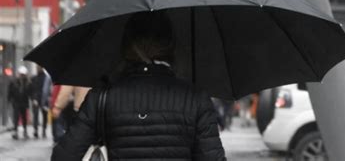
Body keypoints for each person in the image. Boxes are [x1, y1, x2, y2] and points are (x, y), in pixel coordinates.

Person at [51, 12, 226, 160]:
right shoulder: (195, 98)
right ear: (170, 46)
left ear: (126, 45)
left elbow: (63, 156)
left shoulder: (103, 96)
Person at [7, 66, 31, 140]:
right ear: (18, 74)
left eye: (23, 74)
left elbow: (31, 92)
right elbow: (10, 92)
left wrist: (33, 99)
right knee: (16, 117)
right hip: (16, 102)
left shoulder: (28, 83)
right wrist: (9, 100)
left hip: (24, 102)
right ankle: (16, 131)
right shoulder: (13, 82)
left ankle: (25, 131)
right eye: (21, 74)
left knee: (24, 118)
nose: (22, 76)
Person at [31, 66, 52, 138]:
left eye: (39, 68)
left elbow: (49, 89)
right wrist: (33, 99)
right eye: (37, 68)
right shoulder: (34, 78)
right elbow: (32, 90)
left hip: (44, 100)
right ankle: (36, 130)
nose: (37, 69)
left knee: (44, 116)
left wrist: (49, 98)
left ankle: (44, 130)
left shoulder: (47, 78)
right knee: (35, 115)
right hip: (36, 100)